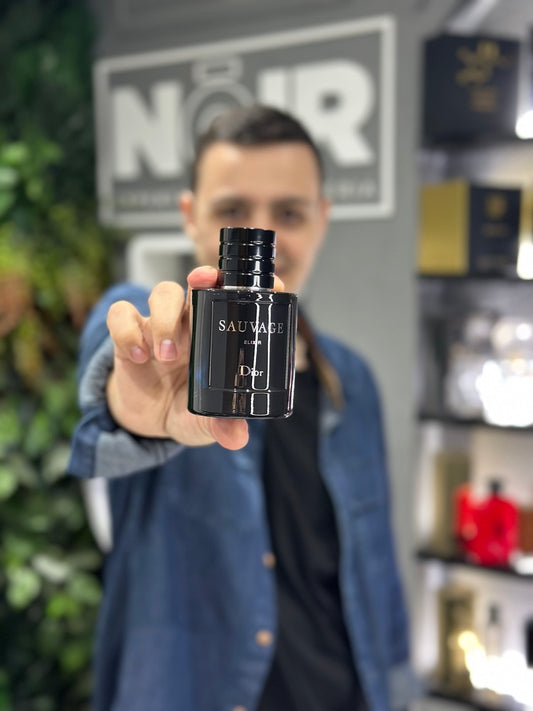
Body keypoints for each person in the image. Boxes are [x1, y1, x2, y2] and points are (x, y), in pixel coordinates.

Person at [68, 105, 416, 711]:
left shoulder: (352, 379)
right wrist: (139, 403)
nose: (262, 235)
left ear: (323, 219)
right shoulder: (155, 336)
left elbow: (374, 570)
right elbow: (111, 388)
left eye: (289, 213)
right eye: (233, 211)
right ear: (190, 215)